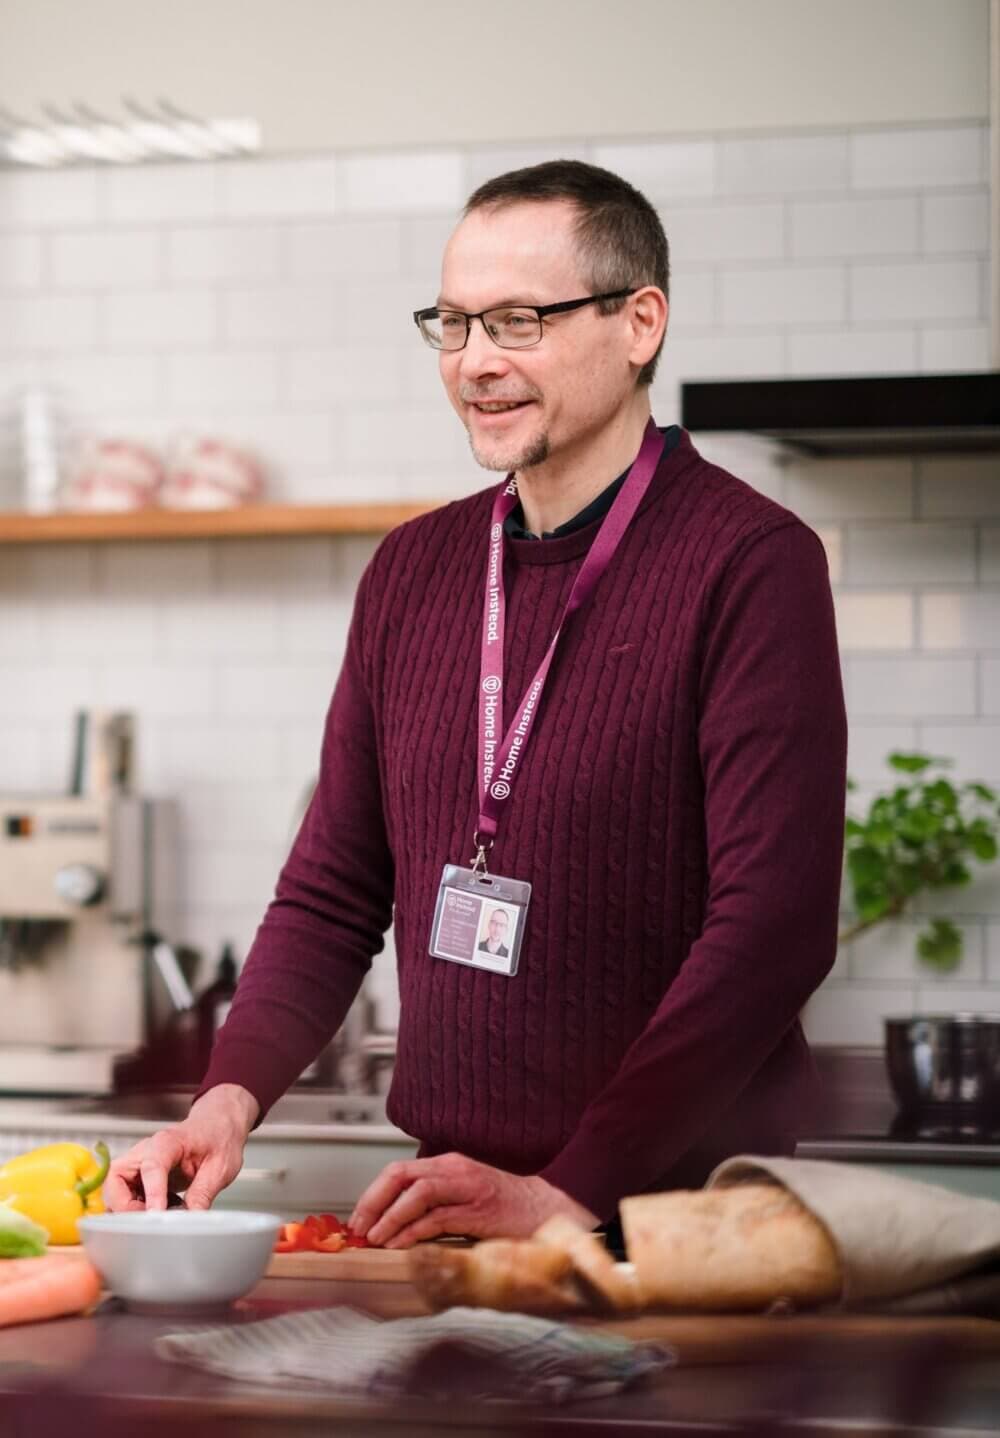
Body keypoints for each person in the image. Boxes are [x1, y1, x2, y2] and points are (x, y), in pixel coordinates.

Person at [105, 160, 847, 1250]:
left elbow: (773, 933)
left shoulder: (750, 564)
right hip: (452, 1220)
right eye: (452, 324)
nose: (476, 363)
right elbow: (331, 890)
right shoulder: (411, 570)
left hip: (681, 1232)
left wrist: (569, 1190)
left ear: (639, 322)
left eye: (517, 321)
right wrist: (228, 1097)